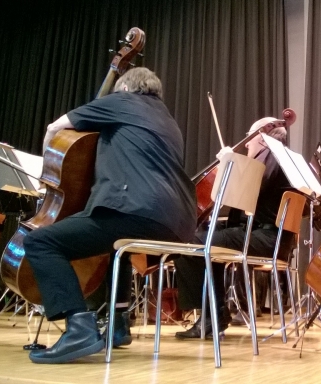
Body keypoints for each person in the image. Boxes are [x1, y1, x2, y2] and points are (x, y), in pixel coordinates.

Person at [22, 67, 196, 364]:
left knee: (41, 242)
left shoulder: (122, 101)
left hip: (137, 209)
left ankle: (79, 329)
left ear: (125, 88)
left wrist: (45, 177)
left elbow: (55, 128)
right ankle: (118, 325)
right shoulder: (169, 120)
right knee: (117, 249)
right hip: (178, 222)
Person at [173, 117, 291, 339]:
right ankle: (214, 313)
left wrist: (231, 164)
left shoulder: (273, 159)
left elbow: (250, 190)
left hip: (267, 237)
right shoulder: (275, 160)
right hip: (267, 235)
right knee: (205, 240)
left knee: (191, 244)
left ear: (262, 138)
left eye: (249, 137)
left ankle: (211, 315)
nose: (246, 143)